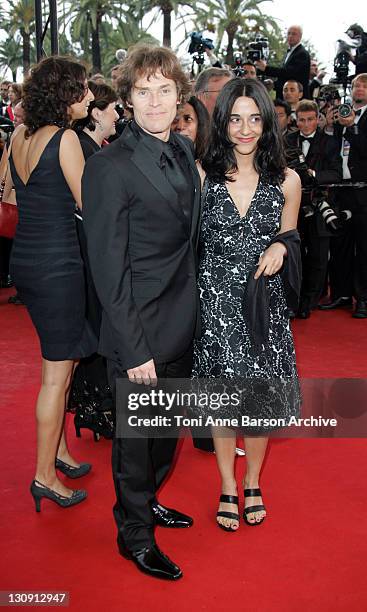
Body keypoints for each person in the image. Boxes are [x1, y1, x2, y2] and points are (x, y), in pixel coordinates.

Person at [82, 44, 201, 580]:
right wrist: (132, 348)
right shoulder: (108, 167)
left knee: (164, 437)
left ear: (180, 95)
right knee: (135, 445)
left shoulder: (181, 149)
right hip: (139, 332)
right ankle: (132, 534)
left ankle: (149, 501)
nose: (155, 101)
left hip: (181, 323)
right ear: (127, 99)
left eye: (165, 89)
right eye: (143, 91)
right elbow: (107, 270)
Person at [192, 77, 301, 531]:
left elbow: (290, 236)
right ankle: (226, 484)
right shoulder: (201, 174)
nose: (244, 128)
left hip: (263, 306)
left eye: (254, 118)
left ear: (267, 122)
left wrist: (281, 246)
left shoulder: (287, 180)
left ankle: (252, 480)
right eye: (235, 118)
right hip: (214, 304)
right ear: (222, 122)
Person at [3, 56, 96, 511]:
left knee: (61, 364)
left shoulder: (18, 135)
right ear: (66, 95)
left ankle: (57, 450)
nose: (92, 97)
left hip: (27, 259)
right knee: (56, 376)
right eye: (84, 89)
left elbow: (9, 195)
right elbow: (91, 209)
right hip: (58, 265)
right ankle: (43, 476)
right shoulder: (66, 139)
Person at [70, 81, 119, 440]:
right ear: (98, 113)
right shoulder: (87, 152)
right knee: (97, 324)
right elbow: (90, 209)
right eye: (114, 108)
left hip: (87, 251)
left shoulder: (92, 147)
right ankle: (96, 408)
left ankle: (95, 408)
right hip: (88, 253)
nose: (119, 114)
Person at [285, 100, 342, 319]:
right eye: (301, 120)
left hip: (320, 204)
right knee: (294, 254)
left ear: (318, 119)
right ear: (295, 120)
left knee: (318, 256)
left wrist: (313, 174)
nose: (306, 124)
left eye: (310, 119)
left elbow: (336, 173)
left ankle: (309, 302)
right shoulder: (286, 140)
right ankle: (294, 300)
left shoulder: (329, 142)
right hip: (293, 206)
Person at [319, 73, 367, 318]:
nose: (359, 88)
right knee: (340, 245)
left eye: (364, 85)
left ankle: (364, 299)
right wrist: (329, 127)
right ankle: (341, 293)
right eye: (357, 84)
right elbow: (329, 153)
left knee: (364, 246)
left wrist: (354, 127)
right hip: (340, 189)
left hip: (363, 190)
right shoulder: (341, 116)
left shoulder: (360, 120)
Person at [255, 25, 311, 99]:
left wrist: (266, 68)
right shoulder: (291, 52)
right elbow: (285, 77)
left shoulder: (302, 53)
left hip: (298, 100)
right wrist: (273, 84)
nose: (290, 36)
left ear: (300, 36)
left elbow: (290, 73)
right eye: (288, 33)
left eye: (294, 34)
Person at [171, 95, 209, 160]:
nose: (180, 126)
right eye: (175, 119)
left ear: (200, 124)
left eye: (188, 119)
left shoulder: (215, 164)